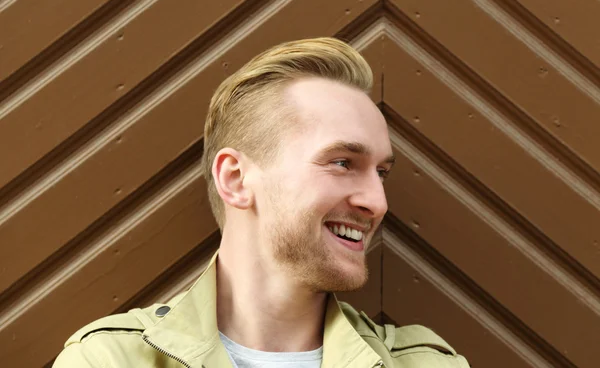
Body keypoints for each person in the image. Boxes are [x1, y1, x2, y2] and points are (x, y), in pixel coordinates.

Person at [54, 38, 469, 367]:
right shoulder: (110, 361)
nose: (377, 202)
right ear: (235, 179)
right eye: (343, 162)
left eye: (381, 172)